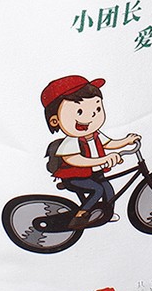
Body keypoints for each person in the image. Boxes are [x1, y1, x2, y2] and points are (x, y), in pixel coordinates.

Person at [41, 75, 140, 229]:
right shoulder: (71, 141)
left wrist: (126, 141)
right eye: (79, 111)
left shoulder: (95, 135)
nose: (91, 116)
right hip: (75, 177)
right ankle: (80, 216)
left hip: (94, 173)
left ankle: (106, 213)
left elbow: (109, 143)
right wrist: (103, 160)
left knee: (108, 190)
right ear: (55, 120)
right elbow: (74, 159)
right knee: (98, 190)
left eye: (97, 109)